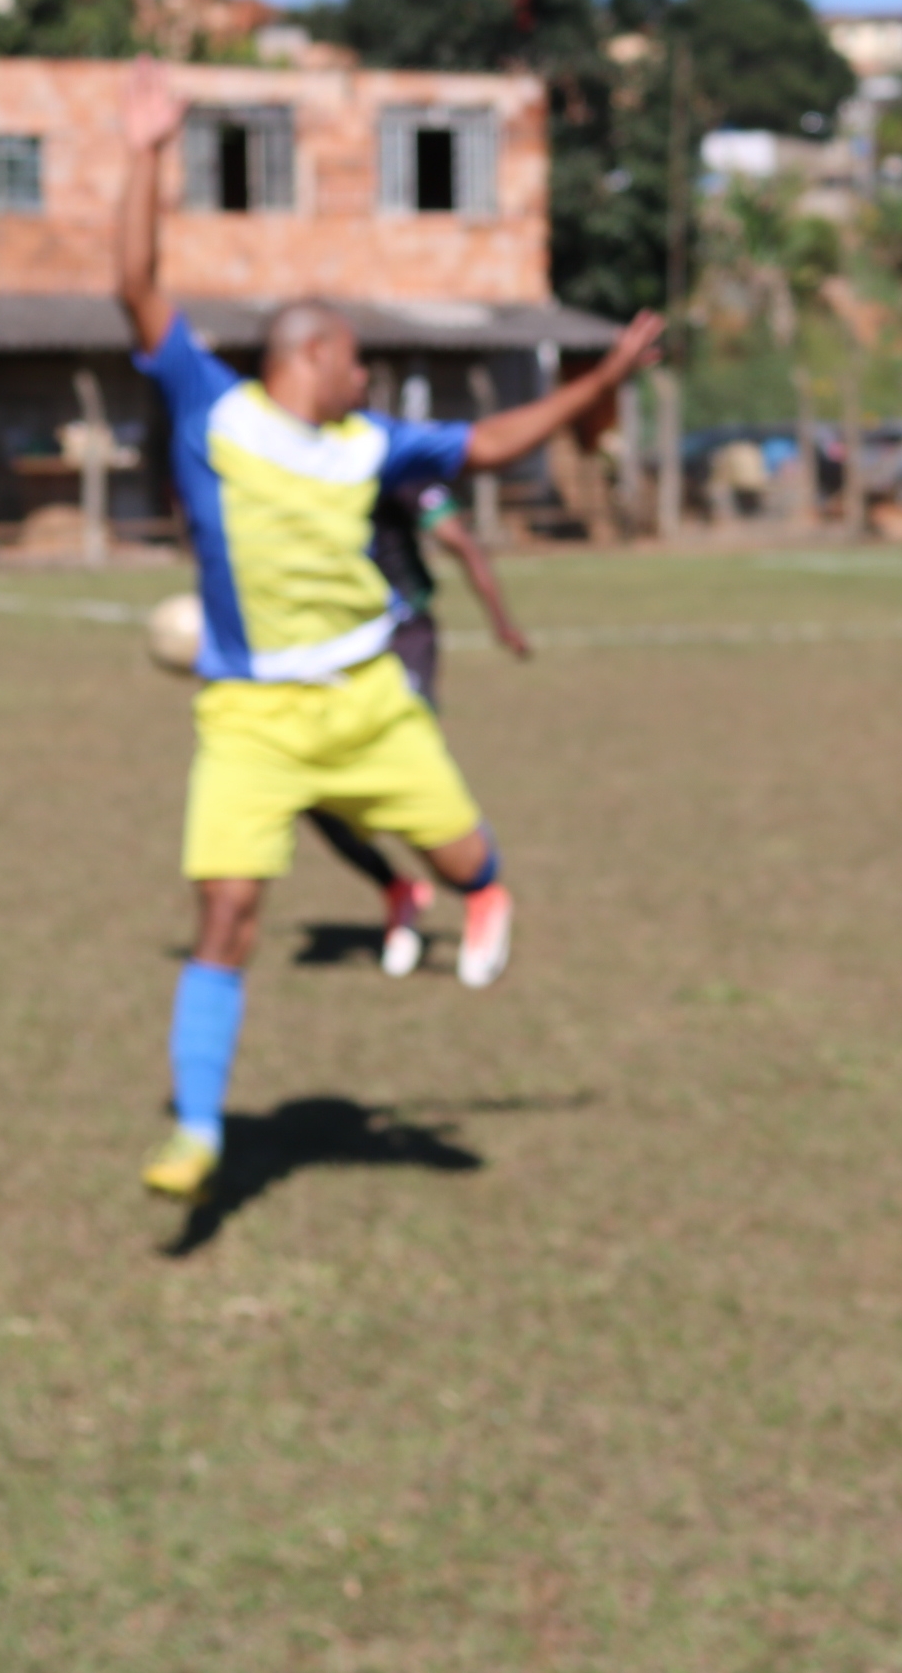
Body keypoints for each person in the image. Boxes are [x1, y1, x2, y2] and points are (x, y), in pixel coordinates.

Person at [115, 58, 665, 1204]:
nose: (366, 375)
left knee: (466, 863)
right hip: (251, 718)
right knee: (226, 911)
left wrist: (606, 374)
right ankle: (199, 1131)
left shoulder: (375, 446)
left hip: (373, 703)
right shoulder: (213, 411)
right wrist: (145, 152)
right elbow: (134, 281)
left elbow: (497, 443)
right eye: (357, 357)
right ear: (313, 352)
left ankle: (485, 887)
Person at [303, 469, 536, 977]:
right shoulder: (291, 464)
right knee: (307, 789)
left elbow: (459, 540)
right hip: (330, 650)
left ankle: (481, 892)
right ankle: (396, 888)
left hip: (402, 639)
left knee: (407, 773)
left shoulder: (390, 462)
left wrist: (502, 622)